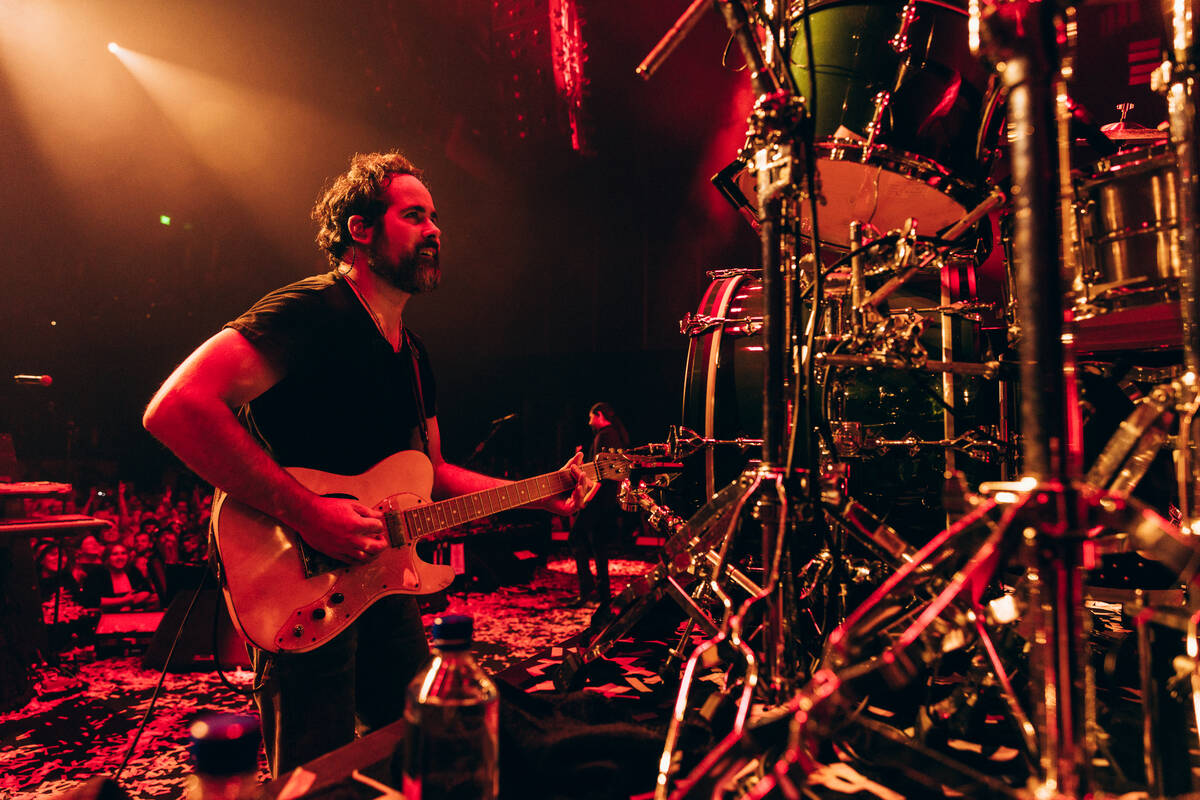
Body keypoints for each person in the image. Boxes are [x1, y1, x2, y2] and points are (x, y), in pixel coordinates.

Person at [142, 150, 594, 776]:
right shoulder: (309, 312)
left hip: (381, 579)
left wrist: (537, 493)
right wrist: (309, 515)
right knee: (315, 775)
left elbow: (431, 472)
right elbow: (176, 408)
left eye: (435, 218)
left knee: (409, 750)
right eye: (414, 216)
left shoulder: (412, 353)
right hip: (293, 575)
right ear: (360, 229)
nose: (434, 230)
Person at [567, 402, 630, 607]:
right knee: (598, 544)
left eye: (591, 417)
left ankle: (587, 590)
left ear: (599, 415)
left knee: (576, 537)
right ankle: (603, 594)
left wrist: (586, 499)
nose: (589, 421)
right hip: (607, 500)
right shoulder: (613, 435)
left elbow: (600, 475)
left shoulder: (605, 435)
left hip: (598, 499)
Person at [80, 544, 157, 612]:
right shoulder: (97, 573)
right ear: (107, 558)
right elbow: (92, 600)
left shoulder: (132, 570)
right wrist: (124, 600)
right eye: (115, 554)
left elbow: (146, 590)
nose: (120, 557)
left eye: (123, 553)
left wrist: (129, 605)